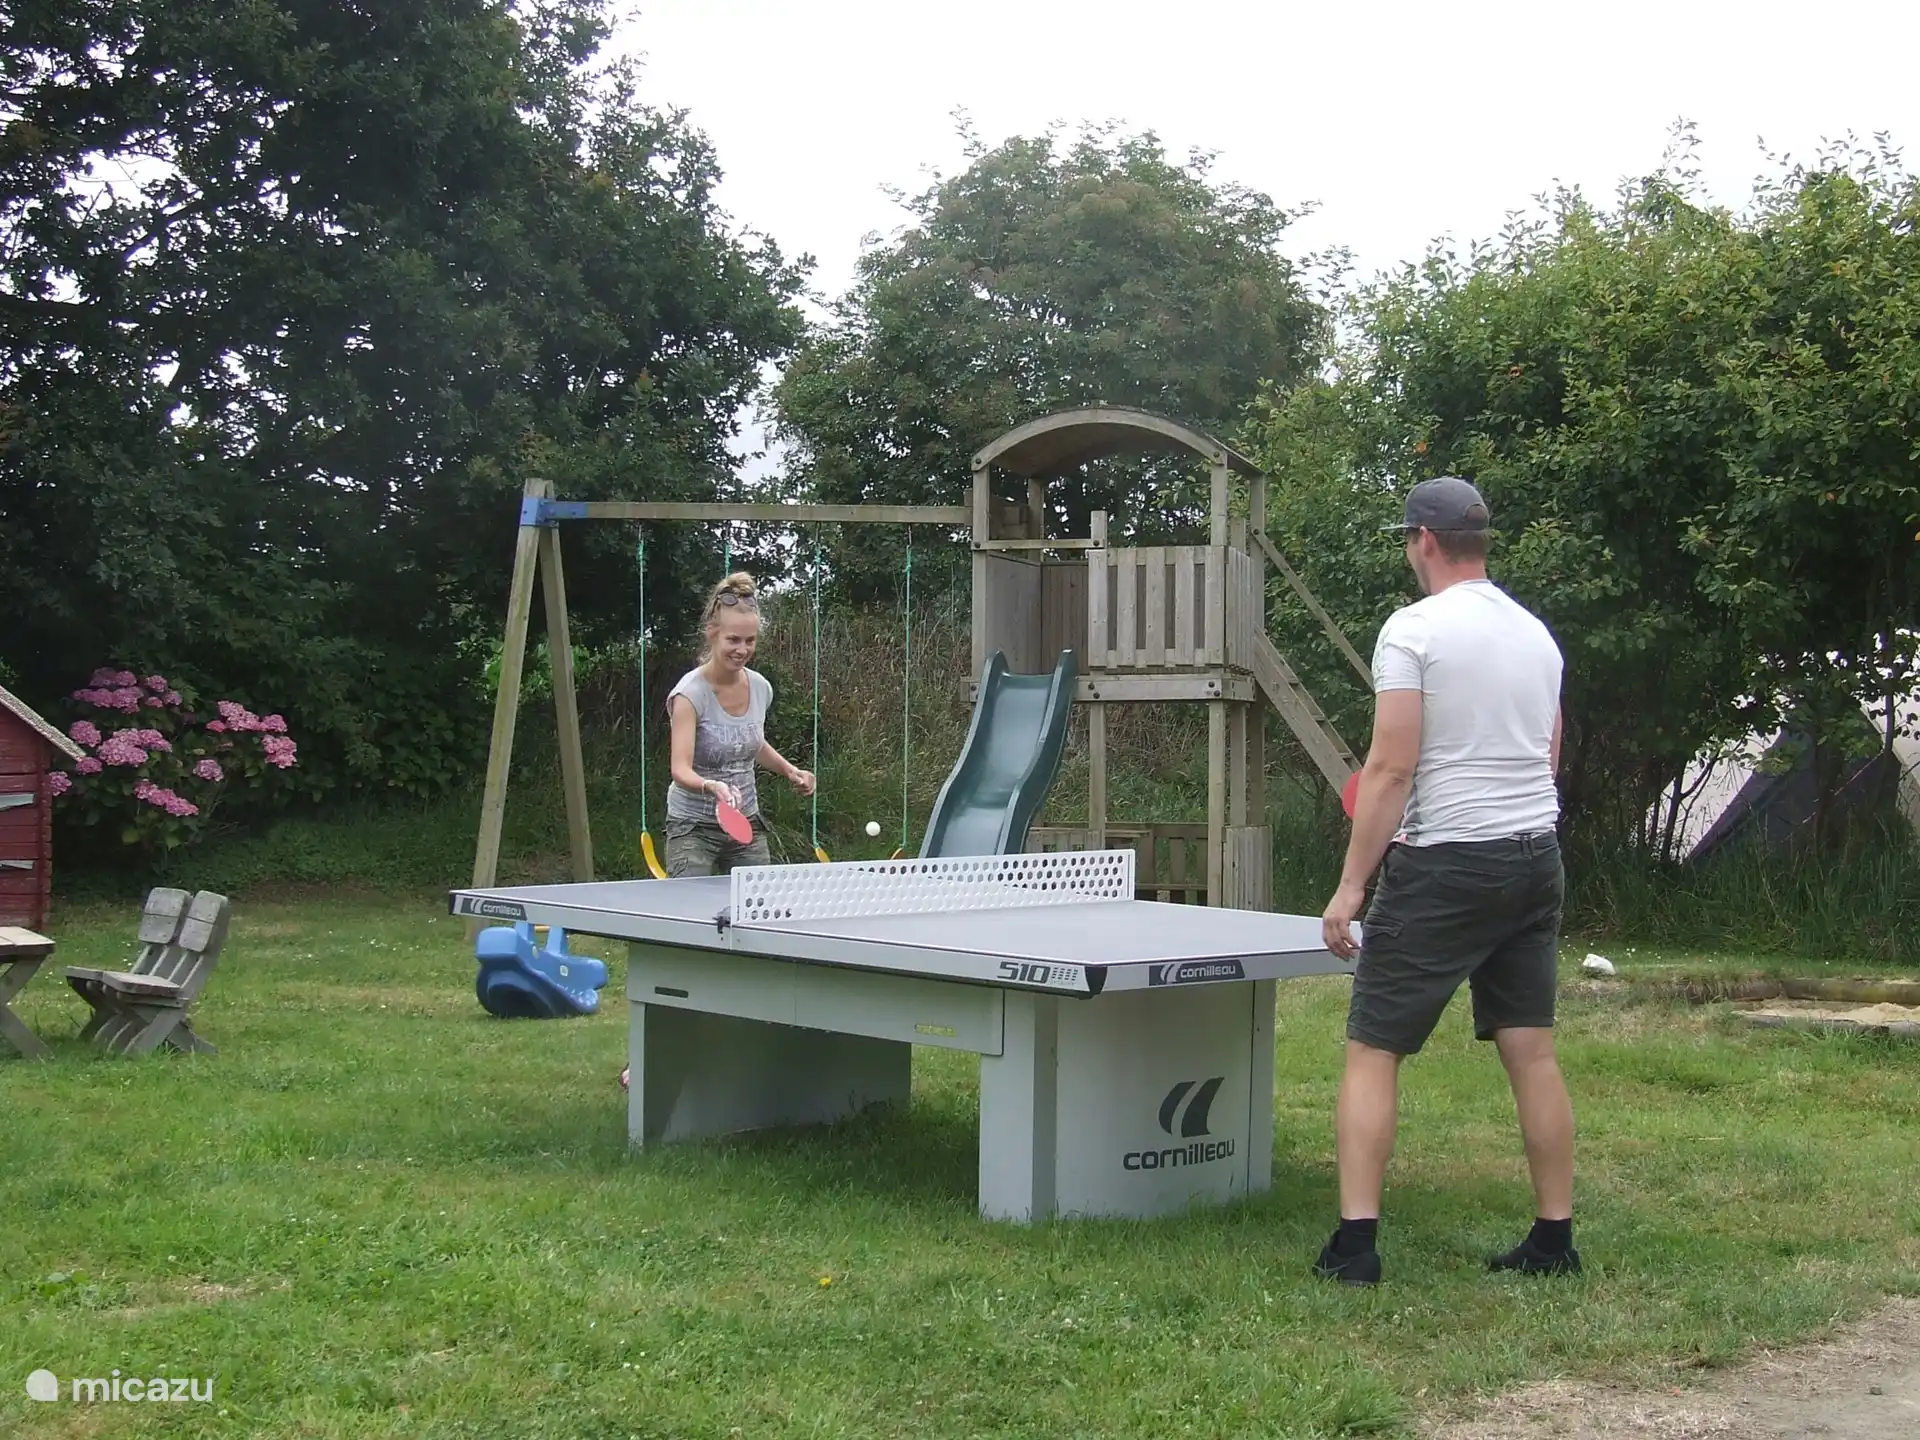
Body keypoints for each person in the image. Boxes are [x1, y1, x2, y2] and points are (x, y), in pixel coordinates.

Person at [1314, 476, 1577, 1288]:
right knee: (1531, 1051)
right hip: (1535, 854)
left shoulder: (1414, 630)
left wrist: (1352, 885)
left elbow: (1391, 766)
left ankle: (1355, 1248)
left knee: (1373, 1049)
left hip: (1447, 864)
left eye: (1406, 540)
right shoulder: (1536, 636)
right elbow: (1547, 755)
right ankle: (1553, 1238)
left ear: (1424, 540)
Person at [663, 571, 816, 876]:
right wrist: (711, 786)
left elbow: (751, 741)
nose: (742, 650)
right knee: (690, 915)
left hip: (745, 820)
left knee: (758, 911)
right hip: (693, 826)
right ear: (712, 633)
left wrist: (790, 771)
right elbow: (680, 769)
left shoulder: (760, 687)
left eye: (750, 641)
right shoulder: (689, 695)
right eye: (733, 639)